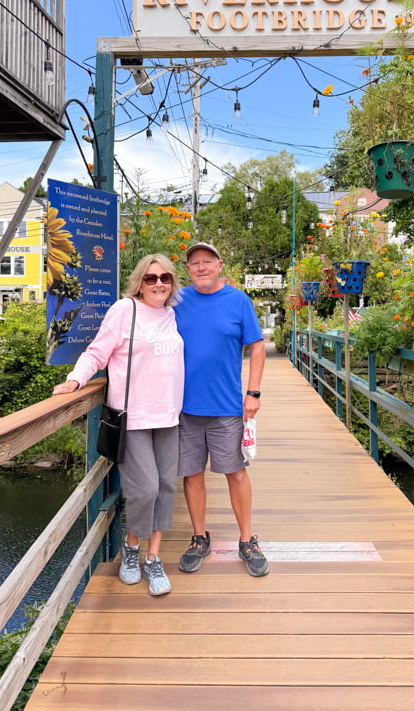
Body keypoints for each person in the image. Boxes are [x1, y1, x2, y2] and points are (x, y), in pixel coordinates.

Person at [53, 254, 183, 596]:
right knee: (146, 489)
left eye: (165, 278)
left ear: (172, 283)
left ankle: (153, 558)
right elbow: (97, 352)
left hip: (168, 416)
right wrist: (76, 380)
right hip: (133, 418)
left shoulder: (171, 314)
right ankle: (131, 548)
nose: (158, 283)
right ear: (139, 282)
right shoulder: (125, 310)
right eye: (151, 278)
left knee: (167, 488)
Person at [174, 242, 268, 577]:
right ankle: (199, 537)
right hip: (184, 407)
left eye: (207, 262)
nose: (200, 267)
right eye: (194, 263)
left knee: (236, 472)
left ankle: (247, 540)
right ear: (188, 269)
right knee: (191, 474)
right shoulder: (177, 301)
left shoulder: (238, 300)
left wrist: (252, 393)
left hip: (227, 407)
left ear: (219, 265)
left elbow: (257, 347)